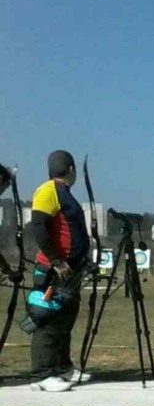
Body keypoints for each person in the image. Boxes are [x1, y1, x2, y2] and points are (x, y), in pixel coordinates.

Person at [25, 150, 91, 391]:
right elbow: (38, 226)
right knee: (48, 320)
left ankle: (63, 367)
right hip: (55, 270)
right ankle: (42, 374)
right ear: (71, 170)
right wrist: (55, 259)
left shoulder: (64, 193)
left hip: (70, 270)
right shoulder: (48, 190)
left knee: (65, 320)